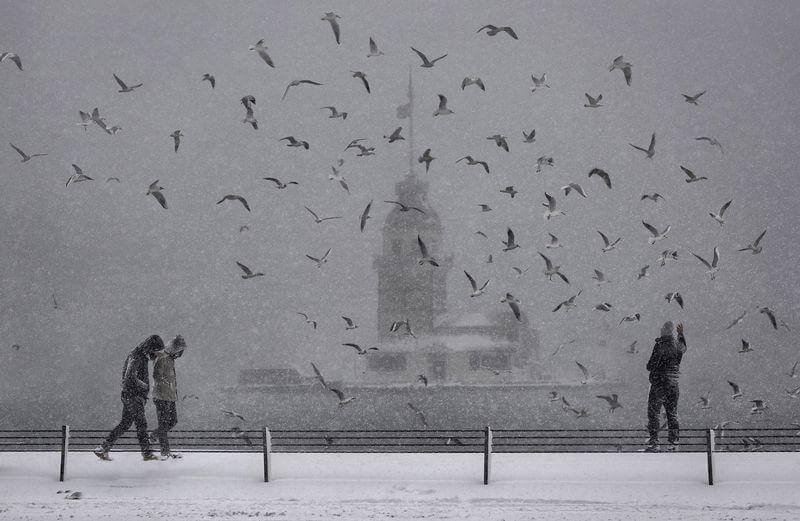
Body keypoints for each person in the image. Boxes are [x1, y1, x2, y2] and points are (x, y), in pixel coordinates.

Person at [94, 335, 164, 461]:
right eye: (156, 351)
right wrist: (145, 386)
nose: (156, 355)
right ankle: (147, 454)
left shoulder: (137, 355)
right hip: (134, 396)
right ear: (151, 348)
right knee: (141, 425)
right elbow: (129, 377)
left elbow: (129, 378)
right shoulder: (137, 356)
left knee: (125, 423)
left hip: (129, 395)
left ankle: (103, 448)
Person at [645, 321, 687, 452]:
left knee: (654, 413)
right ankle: (674, 443)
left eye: (662, 328)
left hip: (660, 383)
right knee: (672, 413)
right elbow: (683, 349)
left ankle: (654, 442)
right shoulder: (677, 345)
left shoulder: (660, 345)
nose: (660, 330)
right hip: (674, 385)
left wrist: (652, 367)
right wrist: (681, 335)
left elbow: (651, 365)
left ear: (665, 331)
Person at [151, 334, 186, 459]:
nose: (180, 354)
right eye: (180, 350)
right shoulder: (163, 358)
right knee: (163, 424)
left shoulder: (170, 359)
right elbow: (157, 375)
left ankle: (155, 435)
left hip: (170, 396)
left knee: (172, 421)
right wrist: (166, 383)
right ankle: (165, 452)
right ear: (175, 348)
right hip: (161, 396)